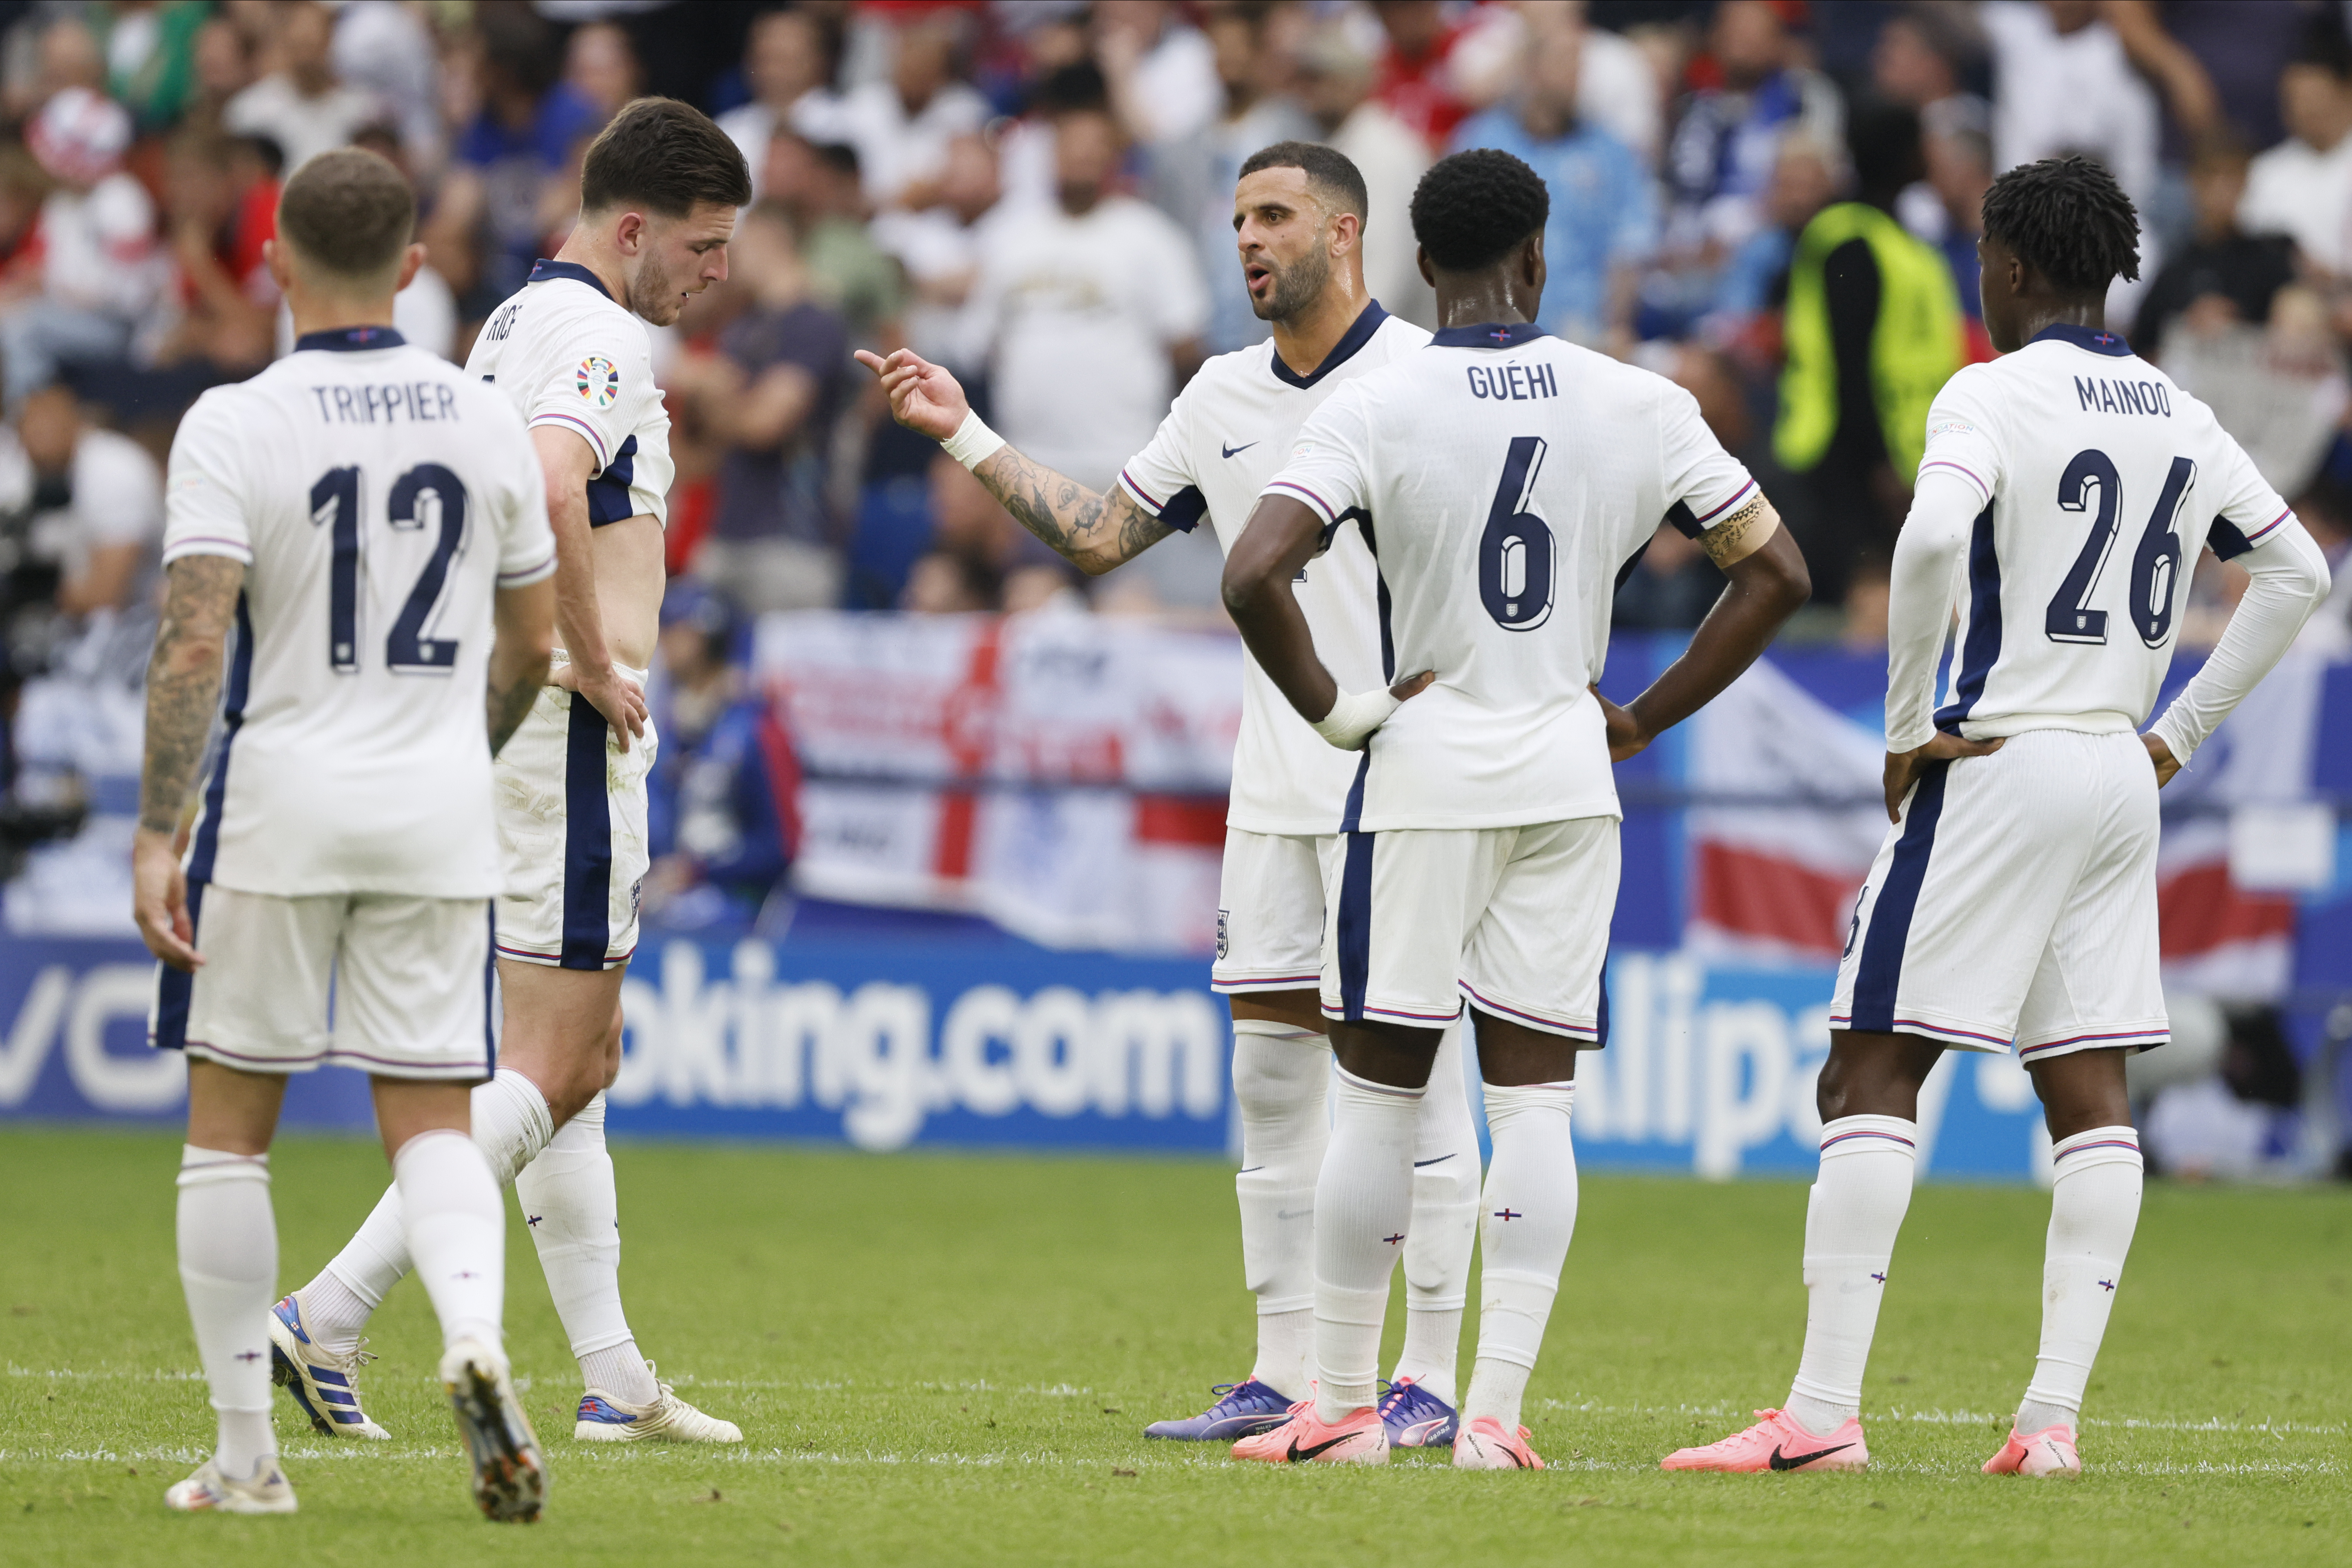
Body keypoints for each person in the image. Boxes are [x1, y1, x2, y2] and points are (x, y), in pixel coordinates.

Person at [1664, 156, 2332, 1479]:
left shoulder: (1991, 390)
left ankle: (1820, 1417)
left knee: (1869, 1065)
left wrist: (1910, 722)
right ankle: (2051, 1424)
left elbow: (1923, 546)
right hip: (2113, 774)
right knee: (2089, 1089)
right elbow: (2297, 571)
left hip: (2003, 756)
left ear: (2011, 268)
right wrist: (2178, 737)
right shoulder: (2182, 414)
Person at [860, 140, 1487, 1450]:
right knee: (1271, 1074)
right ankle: (1282, 1369)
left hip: (1409, 789)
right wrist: (964, 430)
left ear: (1348, 233)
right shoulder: (1219, 394)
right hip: (1272, 787)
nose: (1249, 240)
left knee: (1413, 1086)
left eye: (1276, 216)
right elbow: (1099, 535)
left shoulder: (1432, 382)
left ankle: (1428, 1379)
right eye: (1238, 219)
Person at [1217, 146, 1809, 1471]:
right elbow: (1774, 572)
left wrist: (1334, 707)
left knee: (1377, 1100)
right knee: (1533, 1106)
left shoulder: (1381, 400)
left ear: (1422, 265)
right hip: (1565, 771)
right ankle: (1493, 1415)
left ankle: (1344, 1408)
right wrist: (1642, 718)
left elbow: (1256, 575)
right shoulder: (1637, 399)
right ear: (1540, 259)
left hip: (1423, 778)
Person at [269, 99, 748, 1449]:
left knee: (573, 1059)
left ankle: (613, 1379)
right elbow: (549, 489)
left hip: (492, 713)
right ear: (637, 228)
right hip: (563, 723)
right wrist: (596, 661)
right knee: (558, 1057)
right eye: (705, 249)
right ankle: (328, 1313)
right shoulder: (598, 335)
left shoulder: (517, 319)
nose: (717, 275)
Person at [131, 147, 558, 1519]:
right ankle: (478, 1342)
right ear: (416, 267)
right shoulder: (482, 418)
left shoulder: (231, 422)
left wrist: (158, 834)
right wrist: (457, 756)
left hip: (282, 806)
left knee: (229, 1135)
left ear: (274, 260)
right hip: (436, 806)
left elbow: (195, 639)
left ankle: (249, 1460)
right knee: (433, 1120)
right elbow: (534, 645)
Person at [1774, 100, 1962, 606]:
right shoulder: (1848, 239)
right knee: (1850, 609)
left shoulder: (1906, 242)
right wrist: (1879, 463)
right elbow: (1849, 363)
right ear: (1901, 154)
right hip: (1842, 462)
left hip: (1907, 456)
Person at [1449, 20, 1655, 351]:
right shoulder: (1480, 144)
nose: (1576, 77)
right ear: (1531, 69)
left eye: (1579, 65)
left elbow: (1629, 250)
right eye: (1564, 63)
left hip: (1586, 337)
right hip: (1493, 333)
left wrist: (1617, 326)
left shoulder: (1611, 153)